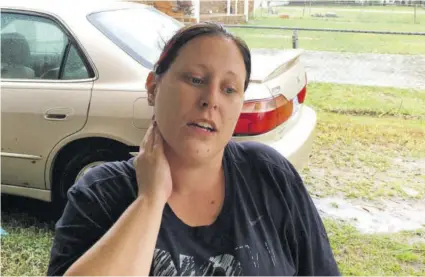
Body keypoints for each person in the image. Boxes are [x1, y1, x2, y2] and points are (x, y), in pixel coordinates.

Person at [47, 22, 340, 276]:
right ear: (153, 87)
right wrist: (150, 200)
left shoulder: (270, 175)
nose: (211, 100)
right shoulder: (99, 194)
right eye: (196, 79)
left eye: (229, 89)